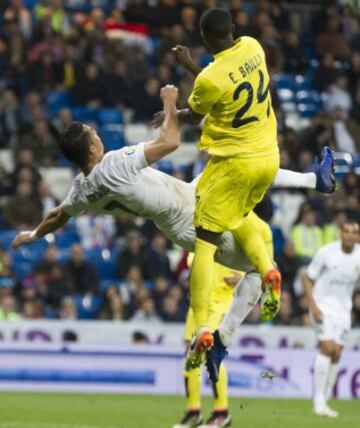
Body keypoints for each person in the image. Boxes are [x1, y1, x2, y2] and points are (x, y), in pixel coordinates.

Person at [11, 87, 334, 335]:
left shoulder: (81, 189)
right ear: (94, 148)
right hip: (191, 217)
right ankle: (223, 334)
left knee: (239, 165)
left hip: (187, 204)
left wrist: (35, 233)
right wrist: (169, 101)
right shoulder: (114, 164)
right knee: (258, 267)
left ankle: (312, 179)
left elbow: (59, 214)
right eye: (94, 134)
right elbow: (170, 142)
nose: (98, 134)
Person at [153, 8, 281, 363]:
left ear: (205, 39)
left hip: (236, 164)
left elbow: (196, 111)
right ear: (234, 29)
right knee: (239, 216)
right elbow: (224, 83)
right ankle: (267, 269)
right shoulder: (255, 47)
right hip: (268, 157)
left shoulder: (209, 79)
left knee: (204, 240)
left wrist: (171, 112)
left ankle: (201, 330)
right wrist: (196, 67)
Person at [174, 258, 241, 428]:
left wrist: (242, 276)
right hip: (198, 302)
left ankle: (221, 412)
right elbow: (192, 261)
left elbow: (252, 256)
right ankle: (194, 411)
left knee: (210, 352)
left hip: (220, 301)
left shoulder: (233, 232)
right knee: (190, 354)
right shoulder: (199, 233)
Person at [302, 221, 360, 417]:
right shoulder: (327, 252)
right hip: (322, 305)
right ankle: (318, 401)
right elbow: (307, 278)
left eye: (354, 233)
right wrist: (313, 306)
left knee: (337, 354)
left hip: (343, 310)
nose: (350, 236)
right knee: (328, 348)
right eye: (347, 231)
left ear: (358, 236)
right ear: (340, 233)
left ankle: (325, 401)